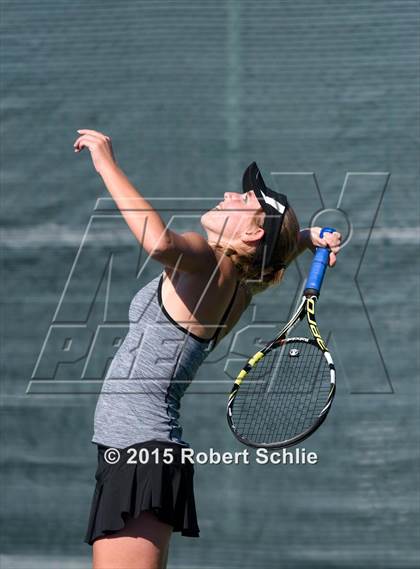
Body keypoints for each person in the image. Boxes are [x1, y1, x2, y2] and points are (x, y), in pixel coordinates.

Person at [74, 129, 341, 569]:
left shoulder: (209, 261)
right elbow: (269, 253)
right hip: (140, 453)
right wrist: (307, 237)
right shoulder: (239, 283)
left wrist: (106, 163)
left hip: (141, 455)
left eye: (244, 200)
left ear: (253, 235)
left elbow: (159, 243)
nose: (229, 194)